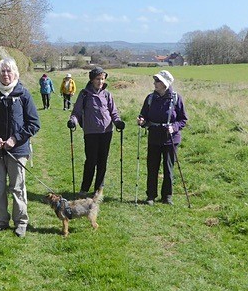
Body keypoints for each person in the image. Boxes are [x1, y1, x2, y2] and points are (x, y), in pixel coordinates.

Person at [0, 57, 41, 237]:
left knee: (17, 188)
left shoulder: (24, 95)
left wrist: (15, 139)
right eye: (2, 71)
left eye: (8, 71)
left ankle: (21, 222)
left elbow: (34, 123)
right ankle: (1, 221)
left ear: (15, 73)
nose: (5, 74)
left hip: (17, 151)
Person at [67, 67, 125, 195]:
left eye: (102, 79)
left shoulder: (107, 94)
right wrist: (73, 121)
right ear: (92, 80)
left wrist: (118, 122)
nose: (100, 82)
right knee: (91, 161)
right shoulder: (84, 94)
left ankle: (98, 189)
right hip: (91, 132)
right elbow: (76, 112)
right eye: (98, 79)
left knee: (102, 161)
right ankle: (84, 189)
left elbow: (113, 112)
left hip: (106, 132)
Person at [137, 70, 187, 205]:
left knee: (168, 168)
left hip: (171, 139)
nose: (155, 83)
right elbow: (143, 115)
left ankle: (167, 196)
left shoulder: (176, 99)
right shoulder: (150, 98)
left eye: (157, 81)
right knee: (152, 167)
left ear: (165, 83)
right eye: (155, 80)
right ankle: (151, 196)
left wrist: (174, 127)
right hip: (154, 137)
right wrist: (141, 121)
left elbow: (183, 120)